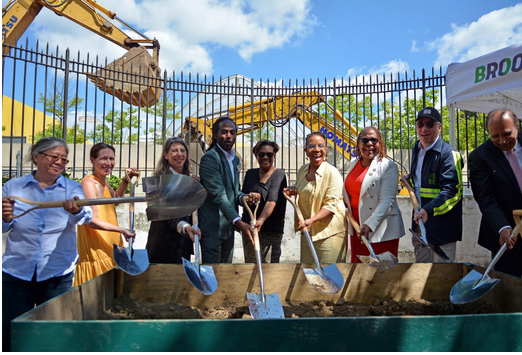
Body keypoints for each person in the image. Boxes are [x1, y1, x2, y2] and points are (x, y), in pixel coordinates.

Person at [2, 137, 93, 352]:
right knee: (11, 332)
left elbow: (86, 214)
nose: (60, 162)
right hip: (17, 272)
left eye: (64, 159)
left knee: (54, 333)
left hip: (57, 274)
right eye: (55, 157)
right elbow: (4, 226)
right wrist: (5, 218)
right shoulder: (13, 187)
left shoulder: (71, 187)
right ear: (36, 157)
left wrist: (76, 210)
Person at [73, 143, 139, 287]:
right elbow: (92, 220)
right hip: (97, 248)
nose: (108, 163)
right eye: (104, 159)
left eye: (111, 159)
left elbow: (115, 199)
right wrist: (122, 230)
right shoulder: (90, 183)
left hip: (109, 246)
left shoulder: (103, 181)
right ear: (92, 160)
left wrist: (125, 180)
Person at [198, 116, 260, 264]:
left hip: (228, 228)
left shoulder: (235, 159)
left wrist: (244, 197)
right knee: (214, 273)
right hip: (212, 229)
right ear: (215, 134)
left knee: (227, 273)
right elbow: (218, 195)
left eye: (232, 132)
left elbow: (234, 190)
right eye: (224, 132)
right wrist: (239, 222)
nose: (229, 136)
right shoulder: (210, 159)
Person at [468, 109, 522, 277]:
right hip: (508, 235)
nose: (502, 141)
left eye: (507, 134)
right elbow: (485, 197)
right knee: (509, 286)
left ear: (517, 127)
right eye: (495, 137)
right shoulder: (480, 157)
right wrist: (502, 227)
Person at [407, 107, 463, 263]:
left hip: (443, 230)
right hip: (420, 227)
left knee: (442, 278)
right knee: (421, 274)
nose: (424, 129)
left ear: (439, 127)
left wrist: (428, 210)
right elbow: (421, 181)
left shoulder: (449, 154)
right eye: (420, 124)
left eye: (430, 124)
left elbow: (453, 191)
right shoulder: (417, 149)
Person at [343, 127, 405, 263]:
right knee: (359, 270)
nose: (369, 144)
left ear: (380, 143)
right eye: (365, 140)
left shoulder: (388, 166)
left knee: (381, 273)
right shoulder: (353, 163)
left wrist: (369, 224)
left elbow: (387, 201)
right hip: (357, 227)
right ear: (359, 143)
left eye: (373, 140)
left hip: (380, 229)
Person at [283, 131, 346, 264]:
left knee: (330, 277)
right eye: (312, 146)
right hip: (308, 232)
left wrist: (311, 220)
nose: (316, 150)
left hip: (329, 233)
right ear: (306, 150)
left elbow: (330, 205)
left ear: (325, 150)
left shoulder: (332, 173)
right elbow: (306, 190)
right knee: (308, 275)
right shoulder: (303, 170)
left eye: (320, 146)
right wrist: (294, 190)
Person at [146, 137, 201, 263]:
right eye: (174, 151)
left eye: (182, 150)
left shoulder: (189, 179)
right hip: (163, 245)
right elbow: (164, 214)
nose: (179, 154)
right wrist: (185, 226)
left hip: (183, 244)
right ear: (166, 155)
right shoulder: (158, 180)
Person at [241, 140, 287, 263]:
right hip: (250, 229)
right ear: (256, 156)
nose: (265, 157)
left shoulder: (279, 175)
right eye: (261, 154)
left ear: (274, 155)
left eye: (269, 154)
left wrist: (260, 220)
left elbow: (272, 200)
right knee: (251, 267)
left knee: (269, 269)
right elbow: (243, 196)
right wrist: (249, 198)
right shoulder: (250, 174)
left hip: (271, 230)